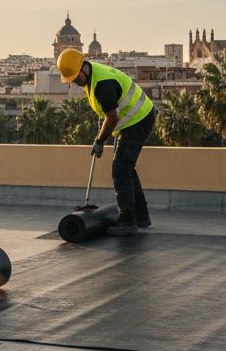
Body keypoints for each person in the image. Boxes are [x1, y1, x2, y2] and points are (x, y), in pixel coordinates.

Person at [57, 49, 156, 236]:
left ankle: (128, 222)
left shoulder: (102, 83)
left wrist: (100, 140)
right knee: (126, 168)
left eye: (75, 78)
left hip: (139, 119)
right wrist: (102, 130)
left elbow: (112, 117)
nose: (75, 82)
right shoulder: (91, 77)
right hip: (131, 121)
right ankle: (141, 216)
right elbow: (106, 111)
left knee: (120, 170)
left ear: (83, 68)